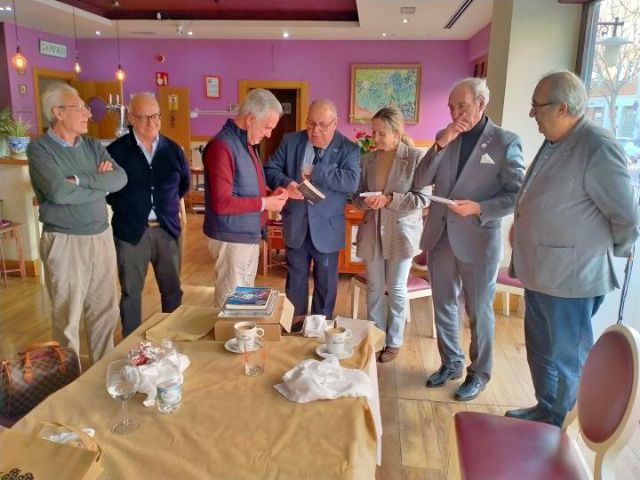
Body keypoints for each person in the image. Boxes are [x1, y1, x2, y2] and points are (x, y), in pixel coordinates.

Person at [506, 70, 639, 426]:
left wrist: (600, 253)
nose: (533, 115)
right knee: (540, 350)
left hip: (572, 277)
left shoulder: (597, 145)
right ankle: (546, 410)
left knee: (568, 356)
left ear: (563, 107)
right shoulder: (556, 141)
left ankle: (567, 427)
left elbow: (627, 215)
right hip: (540, 271)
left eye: (538, 107)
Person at [415, 77, 525, 401]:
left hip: (478, 238)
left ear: (481, 102)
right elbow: (421, 180)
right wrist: (441, 141)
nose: (455, 113)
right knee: (444, 304)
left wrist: (480, 208)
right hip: (441, 236)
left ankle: (479, 374)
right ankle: (451, 363)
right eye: (451, 107)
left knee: (478, 310)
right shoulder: (446, 138)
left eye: (461, 105)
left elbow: (516, 194)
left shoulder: (506, 142)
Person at [26, 83, 127, 364]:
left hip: (101, 236)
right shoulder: (40, 150)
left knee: (105, 313)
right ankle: (68, 382)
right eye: (79, 108)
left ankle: (101, 376)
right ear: (58, 113)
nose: (87, 113)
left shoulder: (94, 146)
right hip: (65, 241)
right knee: (67, 317)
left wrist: (82, 180)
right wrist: (99, 184)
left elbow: (119, 179)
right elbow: (58, 192)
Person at [264, 99, 360, 329]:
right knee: (295, 278)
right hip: (296, 224)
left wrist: (317, 170)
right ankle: (294, 326)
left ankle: (320, 328)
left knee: (326, 283)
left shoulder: (349, 148)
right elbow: (270, 169)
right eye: (310, 124)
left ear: (335, 123)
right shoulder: (291, 141)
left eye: (322, 125)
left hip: (327, 228)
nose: (315, 130)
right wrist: (287, 184)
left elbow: (351, 182)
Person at [106, 92, 190, 337]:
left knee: (172, 289)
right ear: (131, 118)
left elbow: (183, 186)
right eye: (143, 117)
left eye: (155, 116)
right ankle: (131, 345)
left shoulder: (173, 150)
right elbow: (108, 192)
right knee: (131, 292)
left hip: (167, 230)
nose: (151, 122)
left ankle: (172, 337)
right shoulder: (116, 151)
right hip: (132, 233)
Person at [353, 107, 430, 362]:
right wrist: (367, 202)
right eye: (373, 132)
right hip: (372, 231)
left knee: (396, 288)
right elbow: (357, 195)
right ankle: (376, 337)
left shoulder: (416, 158)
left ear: (397, 134)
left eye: (380, 133)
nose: (374, 138)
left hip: (402, 234)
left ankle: (394, 341)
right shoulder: (368, 160)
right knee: (375, 287)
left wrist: (388, 200)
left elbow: (422, 198)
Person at [203, 88, 288, 308]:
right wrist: (265, 203)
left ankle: (238, 341)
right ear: (250, 119)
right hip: (231, 237)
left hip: (246, 234)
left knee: (243, 303)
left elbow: (245, 188)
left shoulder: (245, 144)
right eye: (267, 127)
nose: (269, 134)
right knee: (230, 303)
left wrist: (270, 195)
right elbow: (222, 203)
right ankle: (224, 342)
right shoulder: (222, 146)